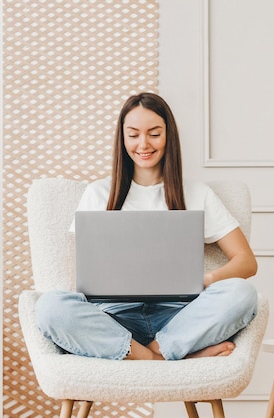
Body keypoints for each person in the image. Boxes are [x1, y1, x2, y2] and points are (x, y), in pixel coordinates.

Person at [35, 92, 258, 361]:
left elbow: (246, 262)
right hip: (113, 318)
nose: (144, 144)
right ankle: (163, 357)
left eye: (154, 133)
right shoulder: (98, 193)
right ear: (123, 138)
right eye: (134, 134)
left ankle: (150, 353)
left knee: (242, 294)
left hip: (178, 317)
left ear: (168, 136)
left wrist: (206, 280)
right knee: (50, 306)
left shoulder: (196, 193)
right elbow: (84, 274)